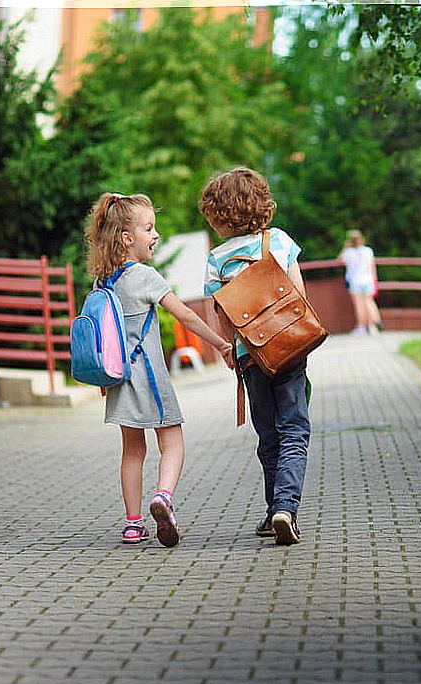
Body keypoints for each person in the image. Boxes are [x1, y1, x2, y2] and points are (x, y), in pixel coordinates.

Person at [85, 192, 234, 547]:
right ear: (127, 238)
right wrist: (221, 344)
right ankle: (163, 497)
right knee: (173, 443)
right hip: (150, 378)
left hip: (119, 381)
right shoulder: (145, 277)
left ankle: (133, 524)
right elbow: (185, 314)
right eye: (149, 228)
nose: (156, 235)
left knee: (132, 451)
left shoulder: (101, 283)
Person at [199, 166, 311, 546]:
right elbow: (298, 292)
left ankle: (271, 511)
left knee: (268, 435)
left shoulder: (217, 261)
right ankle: (285, 508)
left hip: (252, 357)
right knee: (294, 428)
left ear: (218, 215)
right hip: (289, 349)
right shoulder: (277, 241)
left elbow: (222, 314)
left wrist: (230, 350)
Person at [339, 229, 382, 335]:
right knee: (368, 302)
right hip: (368, 279)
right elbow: (372, 267)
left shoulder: (348, 253)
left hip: (355, 280)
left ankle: (362, 327)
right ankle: (372, 327)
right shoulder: (368, 251)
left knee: (359, 304)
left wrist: (345, 247)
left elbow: (339, 259)